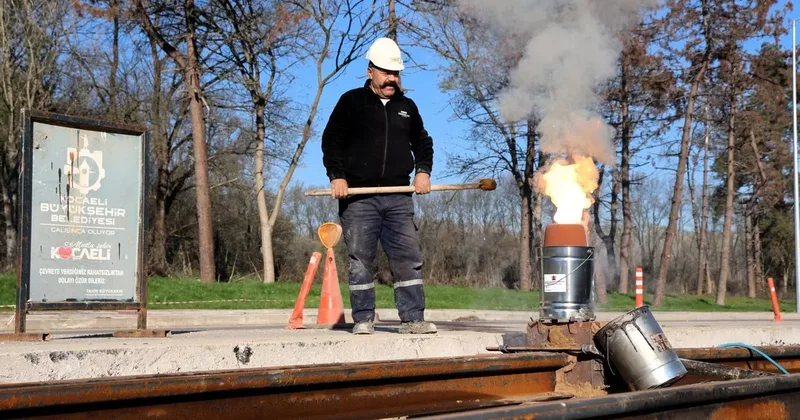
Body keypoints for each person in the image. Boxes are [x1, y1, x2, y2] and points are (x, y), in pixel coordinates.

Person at [320, 37, 436, 335]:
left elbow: (423, 143)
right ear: (370, 71)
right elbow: (331, 141)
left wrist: (423, 172)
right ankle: (363, 319)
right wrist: (337, 176)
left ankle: (413, 319)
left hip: (398, 197)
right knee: (361, 260)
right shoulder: (351, 102)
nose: (391, 79)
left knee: (408, 258)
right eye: (386, 72)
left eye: (396, 73)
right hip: (359, 199)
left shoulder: (407, 107)